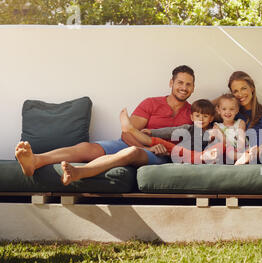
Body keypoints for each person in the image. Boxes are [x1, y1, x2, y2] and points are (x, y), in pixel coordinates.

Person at [14, 65, 197, 183]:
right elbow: (126, 134)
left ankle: (80, 173)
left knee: (133, 152)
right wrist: (147, 148)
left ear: (193, 88)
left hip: (160, 156)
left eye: (189, 84)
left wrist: (152, 151)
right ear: (171, 83)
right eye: (180, 82)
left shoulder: (193, 113)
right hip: (134, 145)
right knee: (88, 148)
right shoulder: (152, 103)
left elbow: (219, 107)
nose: (184, 87)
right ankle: (36, 161)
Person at [120, 99, 219, 164]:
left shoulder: (213, 132)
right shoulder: (188, 128)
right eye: (197, 116)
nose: (201, 119)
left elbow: (216, 148)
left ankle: (131, 129)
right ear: (192, 117)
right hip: (180, 154)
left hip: (198, 158)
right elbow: (170, 131)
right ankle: (131, 129)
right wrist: (152, 132)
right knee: (158, 142)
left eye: (205, 116)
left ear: (211, 118)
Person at [212, 93, 247, 164]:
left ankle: (241, 157)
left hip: (240, 149)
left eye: (231, 109)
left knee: (249, 149)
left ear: (237, 110)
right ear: (218, 110)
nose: (227, 112)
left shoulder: (240, 122)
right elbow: (223, 140)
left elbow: (241, 138)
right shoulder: (217, 126)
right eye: (224, 109)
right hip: (225, 151)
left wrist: (239, 148)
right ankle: (241, 157)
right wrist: (230, 150)